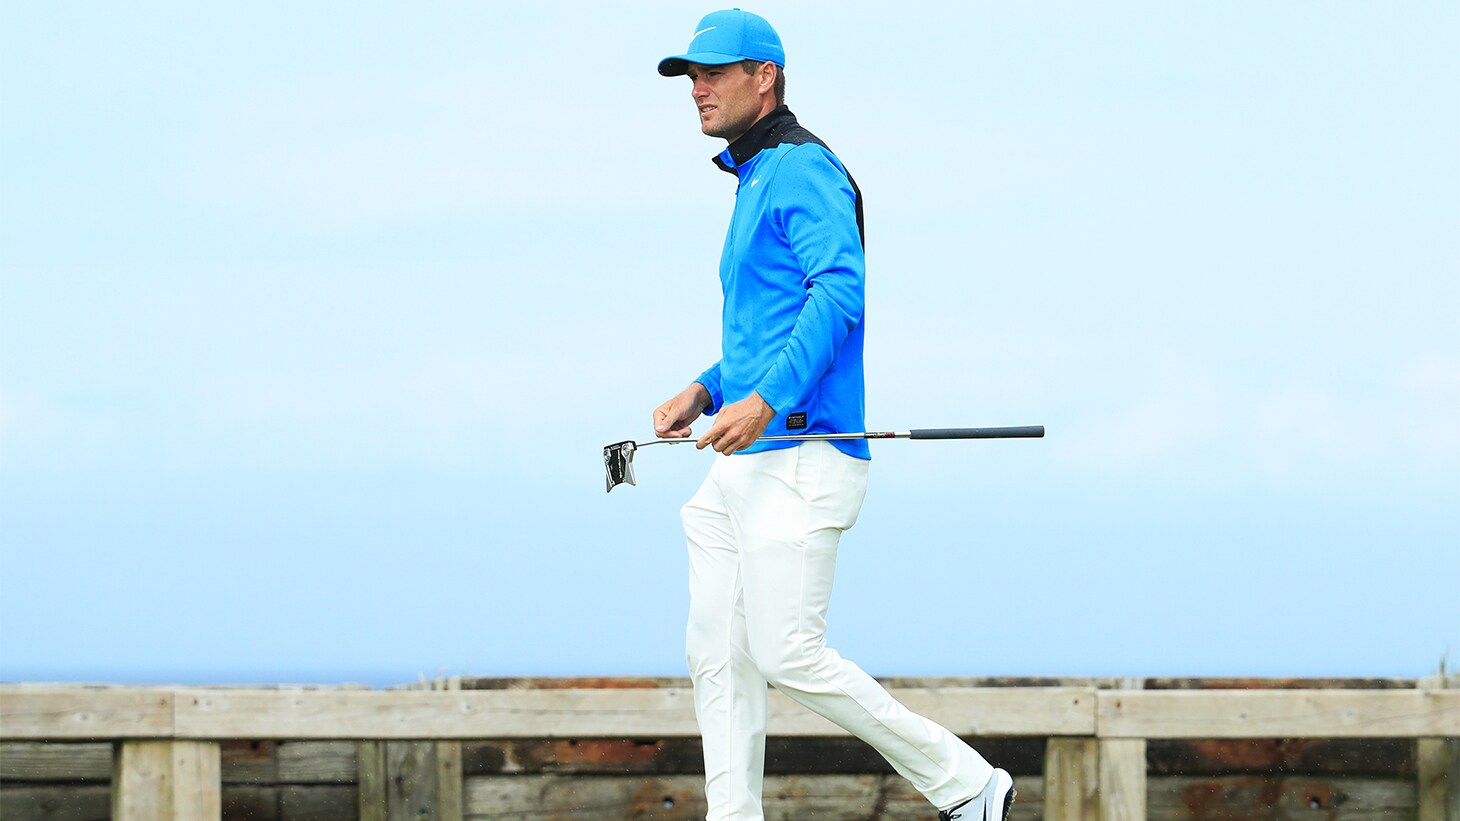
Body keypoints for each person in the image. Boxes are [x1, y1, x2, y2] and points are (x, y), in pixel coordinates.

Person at [650, 10, 1015, 821]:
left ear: (765, 77)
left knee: (787, 652)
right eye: (690, 77)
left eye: (713, 73)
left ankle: (969, 784)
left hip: (801, 453)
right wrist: (705, 389)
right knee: (717, 651)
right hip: (743, 463)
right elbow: (769, 329)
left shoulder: (803, 167)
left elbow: (839, 293)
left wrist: (765, 400)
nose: (698, 88)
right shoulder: (755, 176)